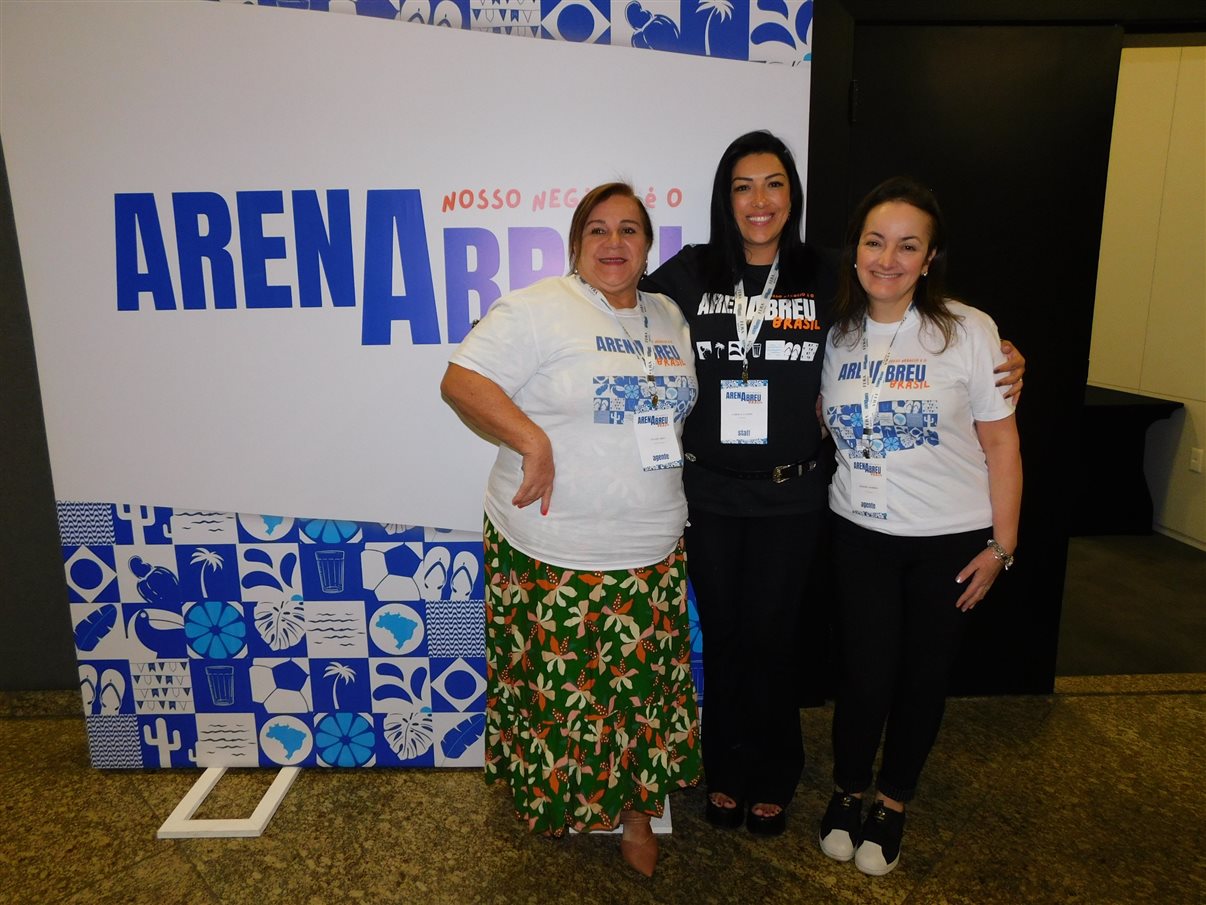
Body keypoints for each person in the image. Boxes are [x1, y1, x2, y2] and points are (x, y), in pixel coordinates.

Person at [642, 131, 1025, 836]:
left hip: (794, 495)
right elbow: (617, 299)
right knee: (725, 637)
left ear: (793, 195)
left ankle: (775, 771)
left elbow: (905, 307)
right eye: (743, 186)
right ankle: (725, 768)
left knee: (776, 638)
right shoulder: (693, 271)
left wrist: (1002, 354)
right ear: (725, 198)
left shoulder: (827, 273)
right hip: (713, 492)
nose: (760, 201)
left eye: (774, 184)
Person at [440, 182, 700, 877]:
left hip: (650, 544)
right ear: (575, 244)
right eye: (597, 230)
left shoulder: (670, 316)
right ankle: (555, 800)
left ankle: (637, 815)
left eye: (629, 231)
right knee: (555, 695)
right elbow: (462, 381)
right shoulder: (535, 309)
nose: (613, 244)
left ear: (648, 246)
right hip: (550, 545)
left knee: (640, 695)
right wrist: (532, 438)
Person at [816, 177, 1022, 876]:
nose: (889, 257)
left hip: (951, 543)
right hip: (859, 533)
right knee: (865, 675)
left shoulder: (969, 330)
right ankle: (847, 791)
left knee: (922, 678)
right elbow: (825, 418)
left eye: (909, 245)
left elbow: (1002, 445)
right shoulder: (836, 331)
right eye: (875, 241)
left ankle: (893, 803)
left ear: (930, 258)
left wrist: (1003, 545)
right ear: (856, 250)